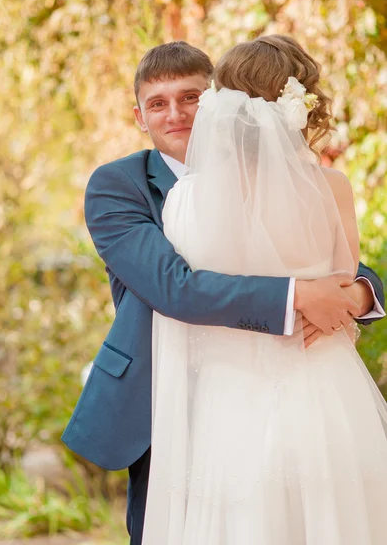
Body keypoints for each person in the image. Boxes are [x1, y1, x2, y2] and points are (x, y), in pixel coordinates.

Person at [61, 40, 385, 545]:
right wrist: (300, 296)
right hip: (166, 393)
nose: (176, 114)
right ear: (139, 117)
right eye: (158, 103)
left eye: (190, 97)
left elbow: (342, 265)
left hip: (276, 386)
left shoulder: (295, 180)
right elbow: (174, 286)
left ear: (216, 98)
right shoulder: (117, 185)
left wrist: (359, 295)